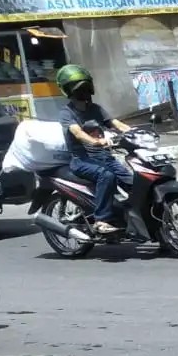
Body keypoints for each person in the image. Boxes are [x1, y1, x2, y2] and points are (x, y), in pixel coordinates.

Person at [55, 64, 131, 236]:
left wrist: (135, 133)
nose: (83, 92)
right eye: (78, 88)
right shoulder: (66, 112)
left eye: (84, 87)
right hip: (82, 160)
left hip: (105, 158)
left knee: (134, 182)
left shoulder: (95, 109)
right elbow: (77, 132)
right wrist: (95, 142)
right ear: (69, 91)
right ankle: (101, 220)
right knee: (106, 175)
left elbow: (115, 123)